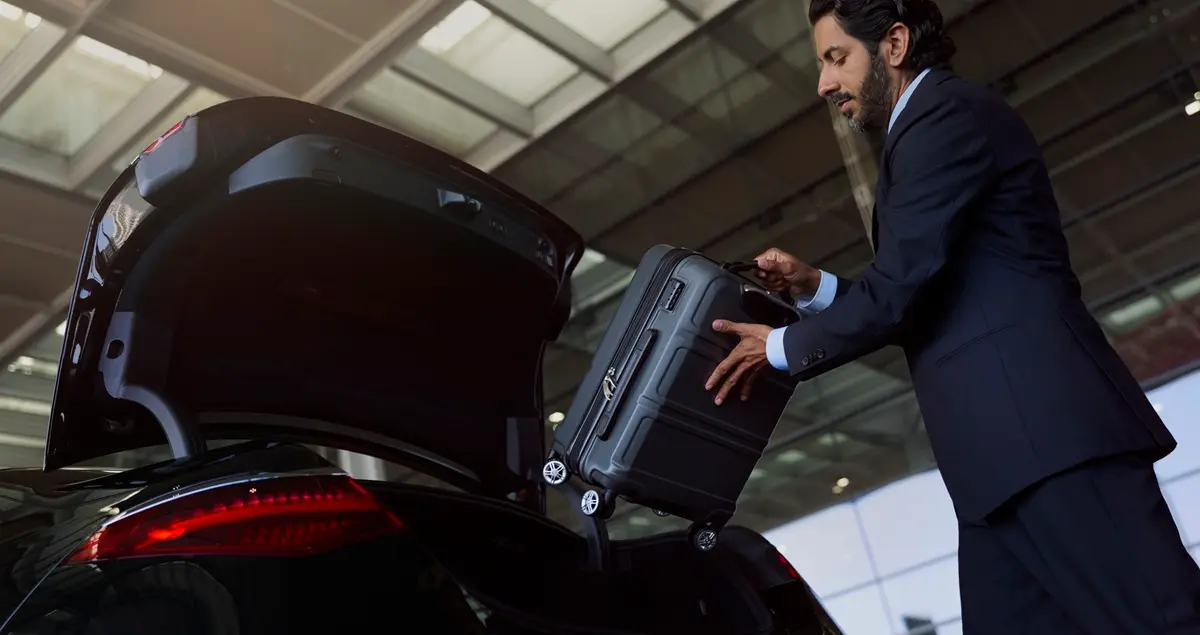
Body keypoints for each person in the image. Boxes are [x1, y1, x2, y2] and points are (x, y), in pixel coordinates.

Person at [703, 0, 1200, 632]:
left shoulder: (946, 116)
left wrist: (780, 348)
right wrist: (817, 287)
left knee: (1163, 622)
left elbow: (902, 288)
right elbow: (928, 295)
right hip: (997, 469)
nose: (824, 82)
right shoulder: (924, 131)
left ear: (895, 43)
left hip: (1049, 442)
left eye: (836, 58)